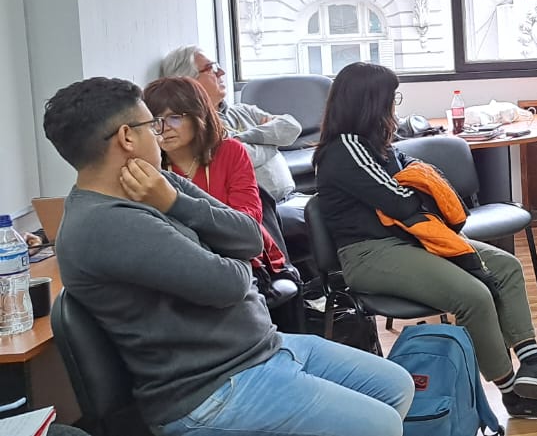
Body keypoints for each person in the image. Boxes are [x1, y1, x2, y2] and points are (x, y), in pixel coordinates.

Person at [45, 77, 414, 435]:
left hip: (260, 349)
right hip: (209, 390)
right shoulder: (105, 225)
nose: (159, 134)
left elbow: (251, 237)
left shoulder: (158, 185)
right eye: (151, 125)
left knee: (396, 386)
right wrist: (222, 244)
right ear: (127, 137)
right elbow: (232, 284)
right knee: (379, 425)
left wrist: (176, 204)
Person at [316, 63, 537, 419]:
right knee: (473, 295)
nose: (394, 106)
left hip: (410, 239)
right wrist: (420, 193)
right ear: (370, 103)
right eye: (391, 98)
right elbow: (403, 201)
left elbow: (425, 187)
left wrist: (419, 192)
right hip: (370, 253)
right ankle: (511, 394)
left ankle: (532, 364)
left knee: (506, 267)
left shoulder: (379, 147)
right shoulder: (344, 150)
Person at [143, 77, 289, 273]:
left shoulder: (230, 151)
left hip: (240, 257)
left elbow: (248, 220)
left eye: (174, 117)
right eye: (155, 120)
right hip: (181, 263)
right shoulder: (150, 165)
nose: (164, 128)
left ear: (198, 115)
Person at [159, 46, 299, 202]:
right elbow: (242, 156)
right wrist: (272, 140)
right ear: (189, 81)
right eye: (211, 68)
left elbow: (291, 127)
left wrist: (241, 138)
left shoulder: (243, 110)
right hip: (261, 208)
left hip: (293, 197)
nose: (221, 72)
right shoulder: (196, 127)